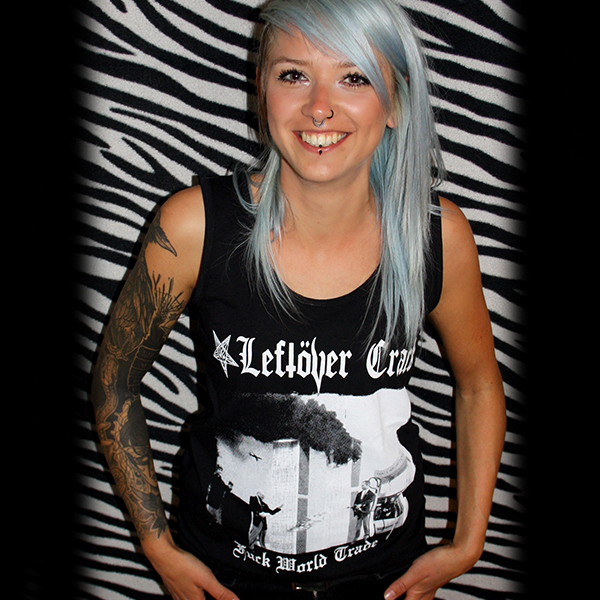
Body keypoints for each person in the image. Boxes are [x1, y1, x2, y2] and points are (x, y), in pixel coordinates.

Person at [89, 0, 506, 599]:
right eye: (293, 75)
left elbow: (480, 386)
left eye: (354, 77)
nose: (319, 106)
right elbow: (115, 380)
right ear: (261, 92)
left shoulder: (437, 237)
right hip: (225, 579)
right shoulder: (193, 228)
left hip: (385, 580)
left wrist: (469, 542)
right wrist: (157, 546)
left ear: (396, 102)